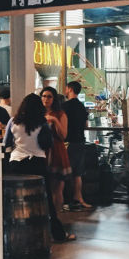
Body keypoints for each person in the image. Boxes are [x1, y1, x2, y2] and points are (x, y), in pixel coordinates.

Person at [4, 93, 75, 243]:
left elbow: (7, 144)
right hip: (37, 163)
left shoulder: (13, 121)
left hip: (16, 163)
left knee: (14, 199)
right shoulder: (42, 123)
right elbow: (46, 144)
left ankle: (11, 234)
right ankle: (58, 235)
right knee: (46, 200)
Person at [40, 86, 71, 217]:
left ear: (54, 99)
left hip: (56, 150)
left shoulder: (60, 114)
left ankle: (56, 216)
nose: (46, 99)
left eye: (49, 96)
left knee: (57, 187)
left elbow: (63, 135)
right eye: (44, 96)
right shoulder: (38, 113)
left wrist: (55, 121)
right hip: (42, 151)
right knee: (45, 187)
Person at [63, 81, 93, 209]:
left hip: (68, 143)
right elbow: (86, 125)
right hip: (80, 141)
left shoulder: (64, 106)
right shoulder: (82, 107)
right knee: (78, 173)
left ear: (69, 89)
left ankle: (65, 201)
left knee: (65, 172)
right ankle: (78, 197)